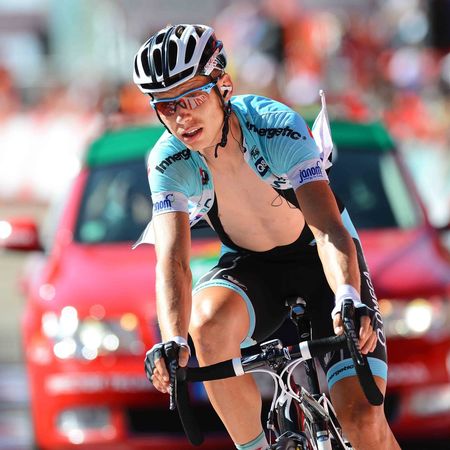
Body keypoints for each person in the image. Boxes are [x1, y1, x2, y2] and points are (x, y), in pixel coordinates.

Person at [133, 24, 401, 450]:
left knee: (362, 424)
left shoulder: (275, 126)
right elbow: (173, 261)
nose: (181, 117)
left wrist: (348, 296)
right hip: (252, 266)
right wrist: (173, 339)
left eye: (192, 98)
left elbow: (327, 228)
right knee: (205, 325)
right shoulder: (168, 161)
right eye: (166, 106)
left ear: (223, 86)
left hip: (320, 259)